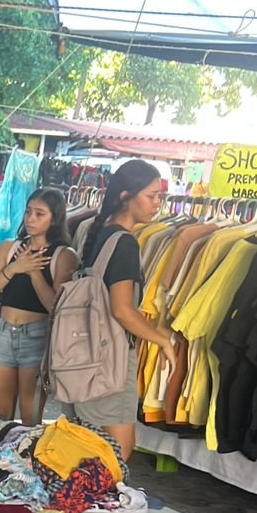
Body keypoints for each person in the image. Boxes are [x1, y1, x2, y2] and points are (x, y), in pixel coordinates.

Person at [53, 158, 176, 460]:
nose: (157, 203)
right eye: (151, 196)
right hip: (109, 360)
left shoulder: (100, 233)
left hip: (83, 355)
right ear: (125, 196)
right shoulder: (124, 243)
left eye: (159, 196)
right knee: (114, 457)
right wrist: (162, 340)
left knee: (87, 451)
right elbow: (121, 310)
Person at [0, 188, 77, 424]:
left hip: (37, 336)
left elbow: (56, 308)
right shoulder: (9, 248)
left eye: (39, 214)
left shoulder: (64, 255)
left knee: (30, 421)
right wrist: (14, 268)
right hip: (3, 333)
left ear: (55, 218)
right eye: (28, 212)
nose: (31, 219)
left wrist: (34, 273)